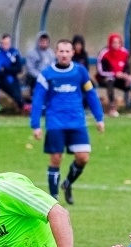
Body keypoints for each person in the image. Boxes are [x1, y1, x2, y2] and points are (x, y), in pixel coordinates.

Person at [30, 39, 105, 205]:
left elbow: (91, 94)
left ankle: (68, 183)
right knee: (56, 158)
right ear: (56, 53)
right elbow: (37, 100)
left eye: (67, 51)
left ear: (72, 53)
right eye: (61, 51)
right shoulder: (47, 74)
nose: (64, 54)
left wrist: (99, 117)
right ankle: (54, 200)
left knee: (83, 157)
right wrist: (35, 125)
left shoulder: (80, 72)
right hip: (55, 122)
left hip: (77, 122)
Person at [96, 32, 131, 117]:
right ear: (110, 43)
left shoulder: (124, 53)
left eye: (118, 42)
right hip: (105, 78)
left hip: (121, 79)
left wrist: (127, 77)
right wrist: (115, 74)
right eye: (114, 42)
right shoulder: (104, 54)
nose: (116, 44)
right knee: (110, 80)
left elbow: (127, 68)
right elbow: (101, 71)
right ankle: (112, 108)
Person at [0, 33, 27, 113]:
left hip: (12, 78)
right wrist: (11, 70)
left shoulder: (14, 52)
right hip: (0, 80)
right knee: (14, 92)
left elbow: (19, 68)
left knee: (17, 90)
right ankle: (23, 107)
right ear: (1, 42)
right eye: (4, 43)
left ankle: (23, 107)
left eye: (8, 43)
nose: (6, 45)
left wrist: (6, 69)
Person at [24, 31, 55, 97]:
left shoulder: (51, 53)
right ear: (38, 41)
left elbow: (53, 66)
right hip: (35, 77)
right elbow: (30, 69)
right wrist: (40, 76)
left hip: (48, 76)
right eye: (42, 41)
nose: (44, 43)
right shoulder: (31, 53)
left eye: (46, 42)